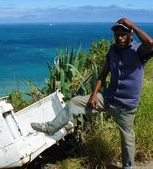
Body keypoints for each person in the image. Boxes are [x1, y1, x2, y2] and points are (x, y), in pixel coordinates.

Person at [31, 18, 153, 169]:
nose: (120, 37)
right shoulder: (113, 50)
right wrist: (94, 94)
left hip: (125, 107)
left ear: (131, 35)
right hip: (107, 99)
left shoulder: (139, 51)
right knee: (75, 102)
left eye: (124, 34)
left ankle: (128, 167)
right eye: (117, 35)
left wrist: (132, 24)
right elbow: (103, 74)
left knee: (127, 138)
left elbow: (150, 43)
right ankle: (50, 127)